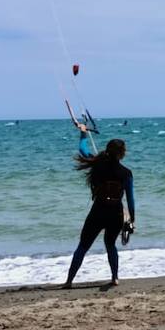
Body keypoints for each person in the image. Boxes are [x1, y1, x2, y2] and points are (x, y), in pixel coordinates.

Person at [64, 118, 135, 289]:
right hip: (116, 213)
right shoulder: (126, 173)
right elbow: (131, 199)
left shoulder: (97, 164)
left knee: (83, 246)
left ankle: (69, 281)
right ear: (121, 153)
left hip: (98, 211)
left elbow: (82, 149)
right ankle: (115, 278)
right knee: (110, 245)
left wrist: (83, 133)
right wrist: (132, 219)